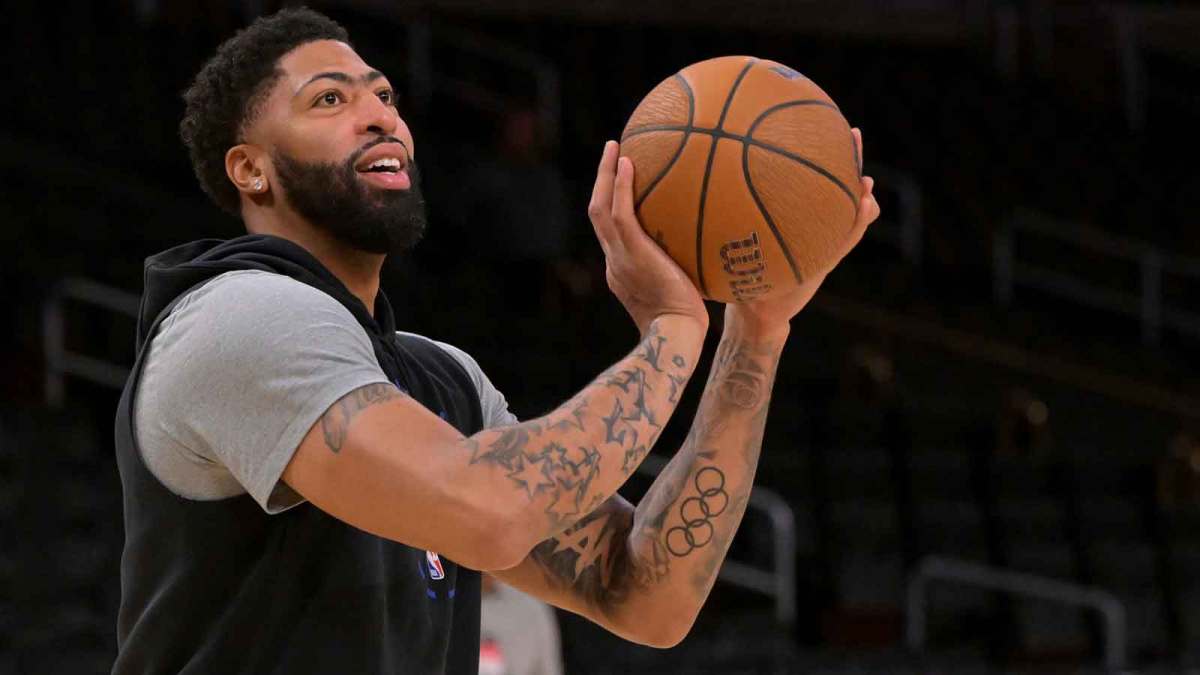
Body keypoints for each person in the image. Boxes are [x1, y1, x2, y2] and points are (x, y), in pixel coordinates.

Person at [112, 7, 879, 675]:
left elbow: (646, 598)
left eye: (385, 94)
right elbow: (489, 511)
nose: (380, 115)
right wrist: (673, 331)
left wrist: (755, 333)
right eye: (330, 99)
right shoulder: (236, 315)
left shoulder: (443, 379)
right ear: (250, 169)